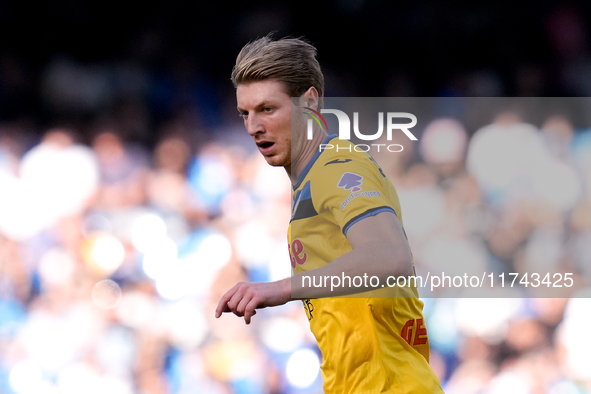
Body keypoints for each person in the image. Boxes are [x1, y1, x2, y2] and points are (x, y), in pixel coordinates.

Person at [215, 35, 444, 393]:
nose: (252, 127)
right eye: (245, 113)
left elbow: (390, 255)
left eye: (267, 109)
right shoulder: (308, 184)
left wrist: (281, 289)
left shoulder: (336, 168)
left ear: (309, 102)